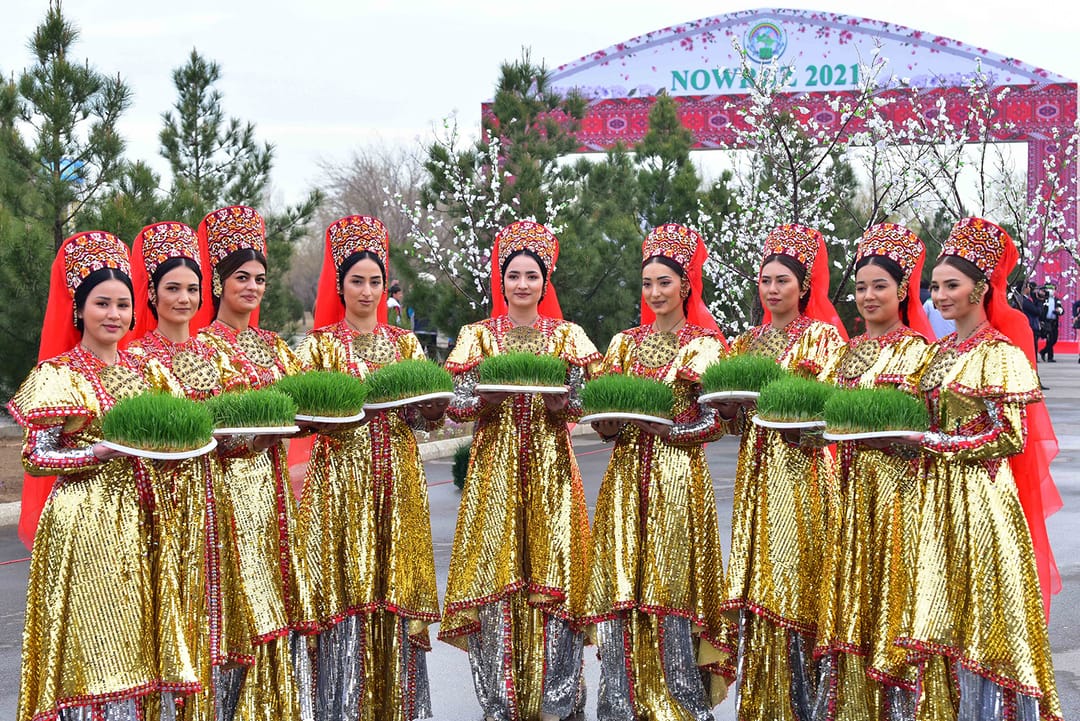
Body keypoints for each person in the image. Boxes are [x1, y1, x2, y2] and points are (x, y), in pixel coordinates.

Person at [9, 230, 200, 721]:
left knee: (143, 645)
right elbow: (36, 457)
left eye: (122, 303)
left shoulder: (150, 371)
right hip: (85, 526)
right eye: (102, 303)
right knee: (96, 650)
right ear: (79, 309)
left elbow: (182, 433)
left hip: (147, 523)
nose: (114, 314)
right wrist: (94, 453)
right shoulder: (59, 374)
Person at [897, 217, 1062, 720]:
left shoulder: (1003, 353)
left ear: (981, 288)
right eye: (936, 286)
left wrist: (933, 442)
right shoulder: (939, 354)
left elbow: (1009, 435)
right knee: (939, 617)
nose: (941, 296)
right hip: (936, 501)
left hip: (984, 504)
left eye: (953, 285)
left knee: (986, 621)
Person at [438, 220, 600, 721]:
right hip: (495, 476)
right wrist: (488, 396)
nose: (523, 284)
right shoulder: (478, 337)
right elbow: (456, 407)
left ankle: (558, 700)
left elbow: (585, 403)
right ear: (501, 281)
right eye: (514, 275)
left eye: (532, 275)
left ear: (545, 281)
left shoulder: (568, 336)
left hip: (553, 474)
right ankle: (502, 701)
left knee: (555, 583)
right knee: (498, 586)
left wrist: (561, 405)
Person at [292, 215, 442, 721]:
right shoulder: (319, 347)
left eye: (375, 281)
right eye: (356, 280)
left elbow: (424, 420)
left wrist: (431, 411)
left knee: (393, 594)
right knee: (348, 597)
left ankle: (400, 710)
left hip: (398, 481)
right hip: (339, 488)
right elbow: (303, 422)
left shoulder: (404, 346)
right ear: (340, 284)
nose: (367, 290)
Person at [585, 224, 732, 721]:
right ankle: (621, 704)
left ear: (686, 284)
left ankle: (679, 704)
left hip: (678, 483)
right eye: (647, 284)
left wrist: (671, 432)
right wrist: (608, 423)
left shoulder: (705, 345)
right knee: (624, 589)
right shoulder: (623, 344)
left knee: (671, 592)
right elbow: (604, 418)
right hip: (625, 481)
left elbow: (716, 423)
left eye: (664, 282)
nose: (654, 293)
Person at [707, 224, 848, 721]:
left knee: (797, 585)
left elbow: (833, 414)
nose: (771, 289)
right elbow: (733, 425)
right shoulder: (747, 342)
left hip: (804, 476)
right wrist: (727, 412)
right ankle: (764, 706)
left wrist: (799, 429)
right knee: (760, 591)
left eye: (782, 280)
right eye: (764, 279)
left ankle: (808, 705)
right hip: (757, 477)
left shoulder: (823, 337)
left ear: (803, 285)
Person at [193, 205, 313, 720]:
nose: (252, 287)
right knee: (228, 614)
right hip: (220, 499)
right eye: (241, 277)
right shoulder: (199, 348)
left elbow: (304, 414)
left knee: (273, 609)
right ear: (219, 282)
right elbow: (194, 431)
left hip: (270, 496)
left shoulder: (276, 349)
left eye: (260, 279)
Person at [811, 224, 933, 720]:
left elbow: (928, 435)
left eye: (879, 285)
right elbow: (821, 425)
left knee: (892, 604)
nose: (867, 296)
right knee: (850, 605)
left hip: (898, 501)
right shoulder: (842, 354)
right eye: (860, 287)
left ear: (903, 290)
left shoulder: (921, 354)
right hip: (846, 496)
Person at [126, 221, 245, 720]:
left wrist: (251, 439)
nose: (183, 298)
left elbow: (239, 434)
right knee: (169, 625)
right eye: (172, 288)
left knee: (218, 628)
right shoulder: (133, 360)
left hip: (219, 507)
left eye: (192, 288)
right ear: (151, 293)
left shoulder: (219, 356)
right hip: (161, 512)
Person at [1039, 284, 1063, 362]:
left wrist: (1059, 311)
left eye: (1053, 290)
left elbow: (1061, 309)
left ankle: (1043, 351)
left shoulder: (1056, 300)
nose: (1051, 291)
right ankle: (1050, 357)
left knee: (1054, 339)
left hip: (1054, 322)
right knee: (1049, 338)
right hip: (1046, 321)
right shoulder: (1043, 299)